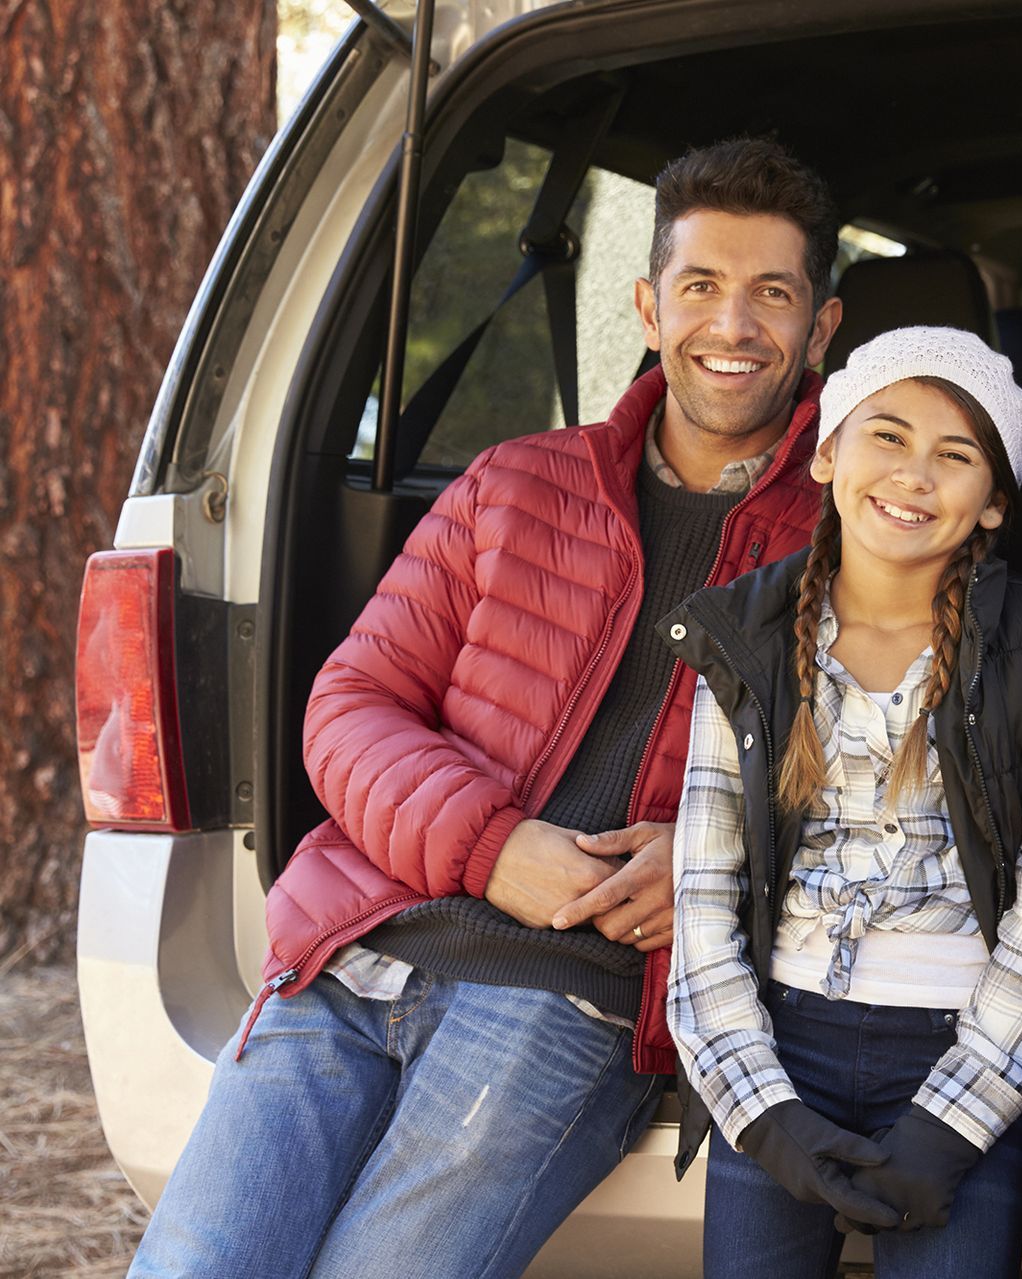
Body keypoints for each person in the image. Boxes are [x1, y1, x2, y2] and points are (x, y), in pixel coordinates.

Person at [128, 137, 845, 1279]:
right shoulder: (515, 482)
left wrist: (719, 861)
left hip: (571, 994)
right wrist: (491, 843)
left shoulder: (855, 535)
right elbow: (349, 706)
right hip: (364, 945)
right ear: (650, 307)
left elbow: (904, 782)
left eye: (774, 292)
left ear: (822, 328)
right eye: (702, 285)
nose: (734, 323)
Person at [662, 326, 1022, 1279]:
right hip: (778, 1046)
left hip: (958, 1052)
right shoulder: (747, 638)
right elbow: (701, 896)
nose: (914, 475)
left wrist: (956, 1122)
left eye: (956, 455)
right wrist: (761, 1113)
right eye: (886, 436)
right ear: (826, 454)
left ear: (992, 504)